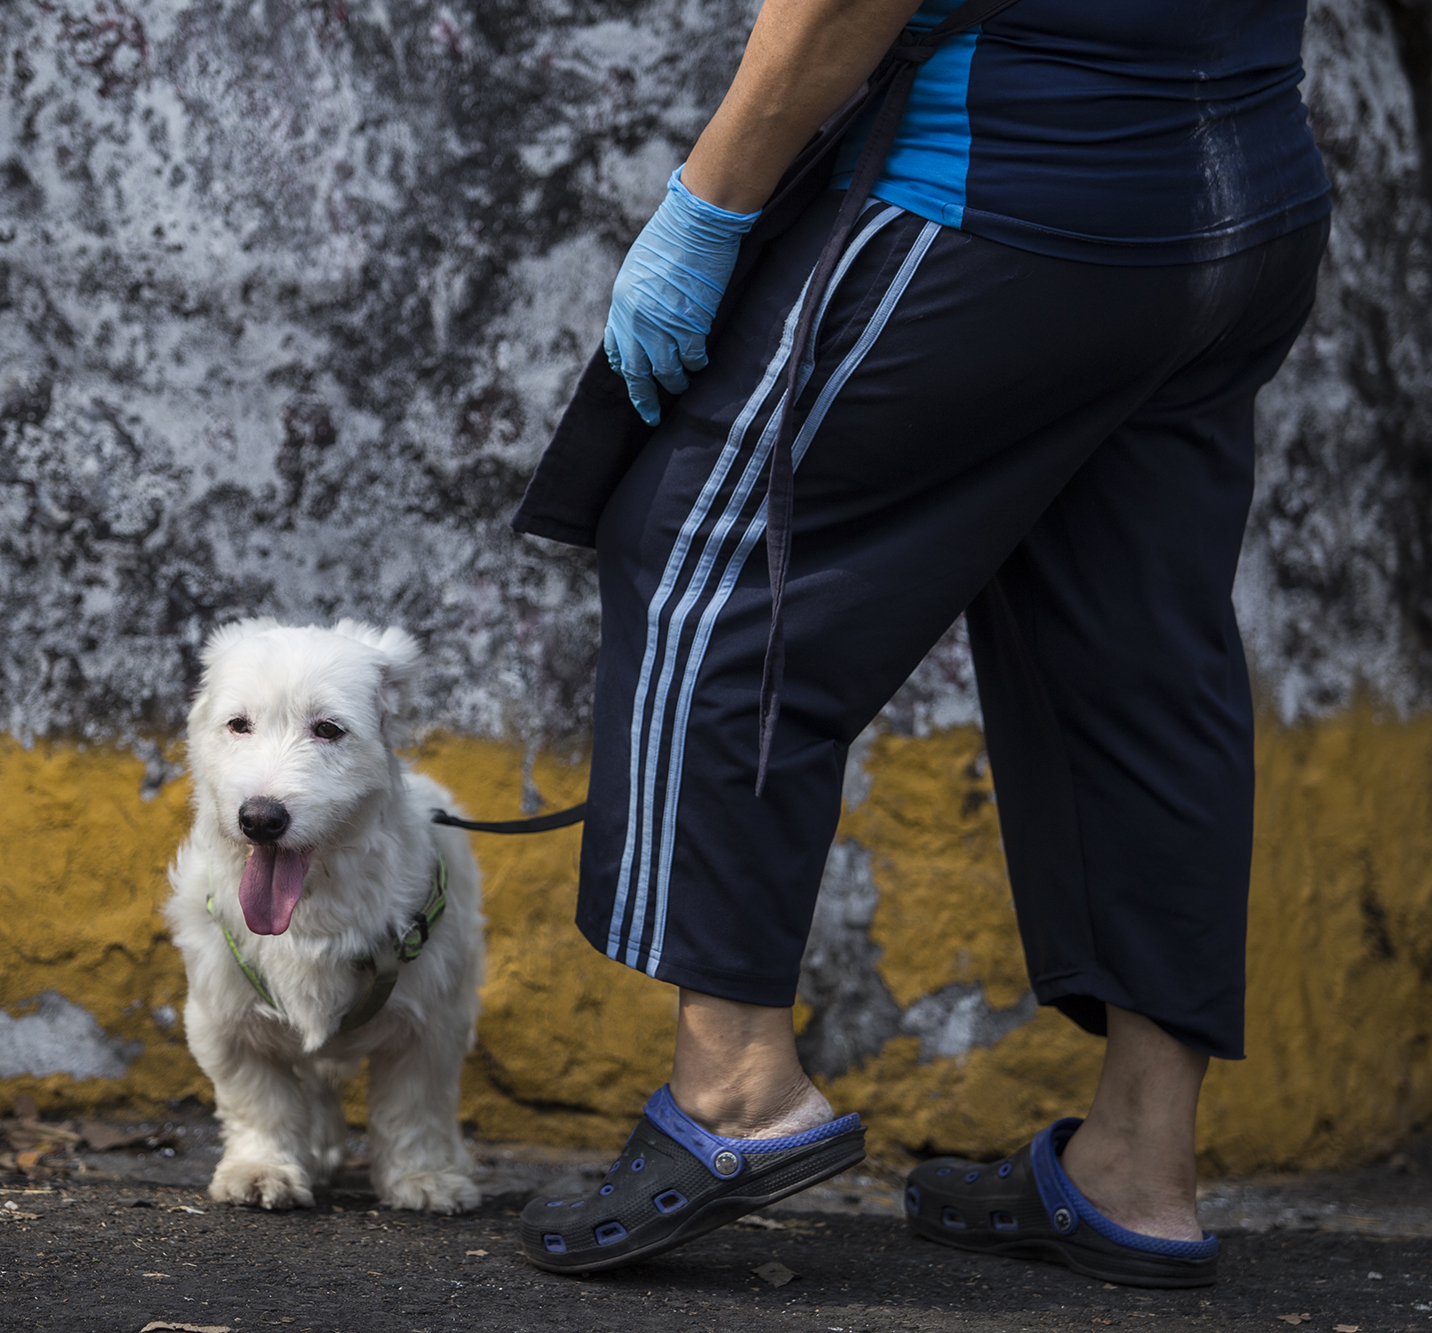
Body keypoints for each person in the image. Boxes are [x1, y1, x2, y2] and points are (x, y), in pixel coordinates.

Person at [510, 0, 1332, 1289]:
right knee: (1140, 658)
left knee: (699, 551)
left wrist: (707, 208)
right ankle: (1141, 1167)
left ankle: (731, 1094)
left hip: (1011, 200)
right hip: (1248, 206)